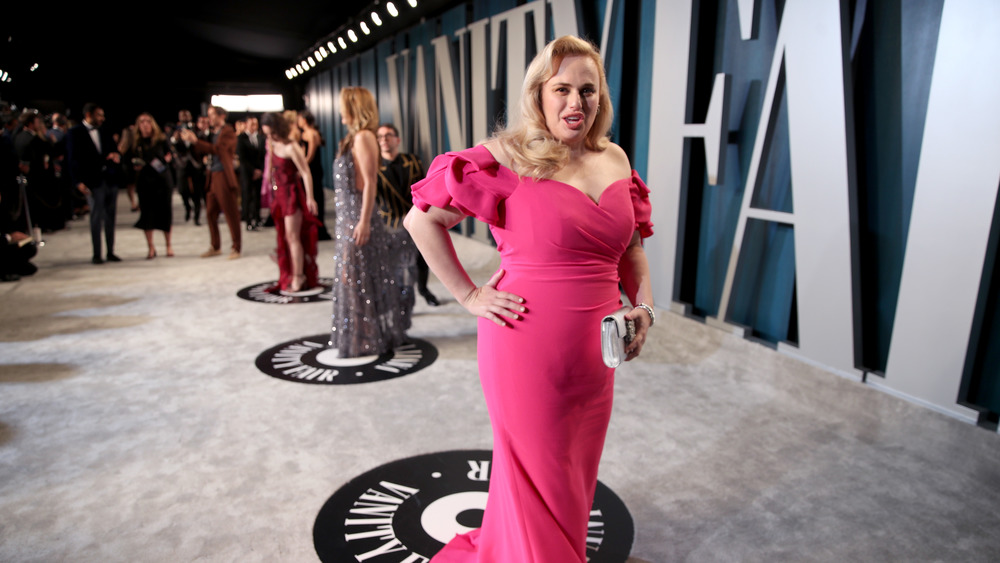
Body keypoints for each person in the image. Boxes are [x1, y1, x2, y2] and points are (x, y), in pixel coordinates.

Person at [404, 36, 655, 562]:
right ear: (539, 93)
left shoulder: (614, 157)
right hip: (524, 348)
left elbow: (630, 247)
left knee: (573, 476)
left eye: (588, 90)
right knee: (535, 478)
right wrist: (469, 295)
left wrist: (645, 307)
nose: (576, 103)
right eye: (562, 88)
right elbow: (421, 219)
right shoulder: (508, 156)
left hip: (596, 356)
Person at [328, 87, 411, 357]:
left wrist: (363, 221)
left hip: (357, 219)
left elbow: (371, 182)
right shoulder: (353, 138)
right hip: (346, 220)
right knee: (353, 278)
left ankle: (367, 337)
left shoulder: (364, 137)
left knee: (358, 279)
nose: (340, 111)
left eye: (343, 105)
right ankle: (364, 335)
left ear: (354, 107)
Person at [376, 123, 439, 306]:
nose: (384, 140)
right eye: (380, 137)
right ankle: (396, 300)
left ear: (397, 139)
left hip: (415, 218)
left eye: (388, 135)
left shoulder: (412, 160)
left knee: (422, 258)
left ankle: (424, 290)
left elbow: (423, 188)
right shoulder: (374, 166)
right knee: (393, 265)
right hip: (390, 222)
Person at [260, 112, 319, 293]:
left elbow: (306, 172)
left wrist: (310, 197)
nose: (270, 137)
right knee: (285, 236)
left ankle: (299, 276)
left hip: (291, 195)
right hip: (279, 196)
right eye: (267, 134)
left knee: (293, 236)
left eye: (272, 133)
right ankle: (291, 271)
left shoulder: (292, 147)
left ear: (280, 129)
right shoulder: (272, 143)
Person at [181, 106, 241, 259]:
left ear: (222, 116)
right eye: (209, 115)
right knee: (210, 213)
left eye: (212, 115)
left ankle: (236, 247)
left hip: (223, 176)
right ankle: (215, 246)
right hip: (212, 176)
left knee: (230, 213)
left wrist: (197, 141)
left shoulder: (227, 132)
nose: (210, 118)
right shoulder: (212, 133)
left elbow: (219, 150)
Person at [67, 103, 122, 264]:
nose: (102, 118)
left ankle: (111, 252)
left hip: (110, 180)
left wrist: (116, 156)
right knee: (96, 217)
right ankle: (97, 254)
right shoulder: (74, 133)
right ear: (89, 115)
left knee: (111, 217)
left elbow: (114, 150)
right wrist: (77, 182)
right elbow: (72, 160)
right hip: (92, 181)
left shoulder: (105, 131)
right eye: (99, 115)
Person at [127, 113, 174, 259]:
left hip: (162, 181)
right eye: (142, 122)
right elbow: (128, 160)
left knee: (165, 213)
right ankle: (151, 247)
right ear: (138, 125)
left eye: (148, 121)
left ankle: (168, 245)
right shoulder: (136, 143)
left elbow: (169, 155)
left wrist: (167, 159)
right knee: (147, 214)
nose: (145, 124)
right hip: (145, 182)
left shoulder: (161, 140)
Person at [298, 110, 331, 240]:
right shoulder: (304, 133)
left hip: (313, 169)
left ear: (304, 120)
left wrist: (302, 167)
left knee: (316, 196)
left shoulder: (312, 133)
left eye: (300, 119)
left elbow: (310, 154)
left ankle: (319, 227)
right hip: (307, 167)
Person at [237, 116, 265, 231]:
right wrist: (253, 170)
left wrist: (260, 170)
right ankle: (248, 220)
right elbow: (242, 158)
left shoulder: (261, 138)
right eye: (251, 123)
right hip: (247, 172)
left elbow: (263, 155)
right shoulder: (241, 138)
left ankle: (257, 218)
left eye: (256, 123)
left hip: (259, 171)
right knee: (247, 196)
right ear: (246, 124)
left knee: (257, 196)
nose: (254, 126)